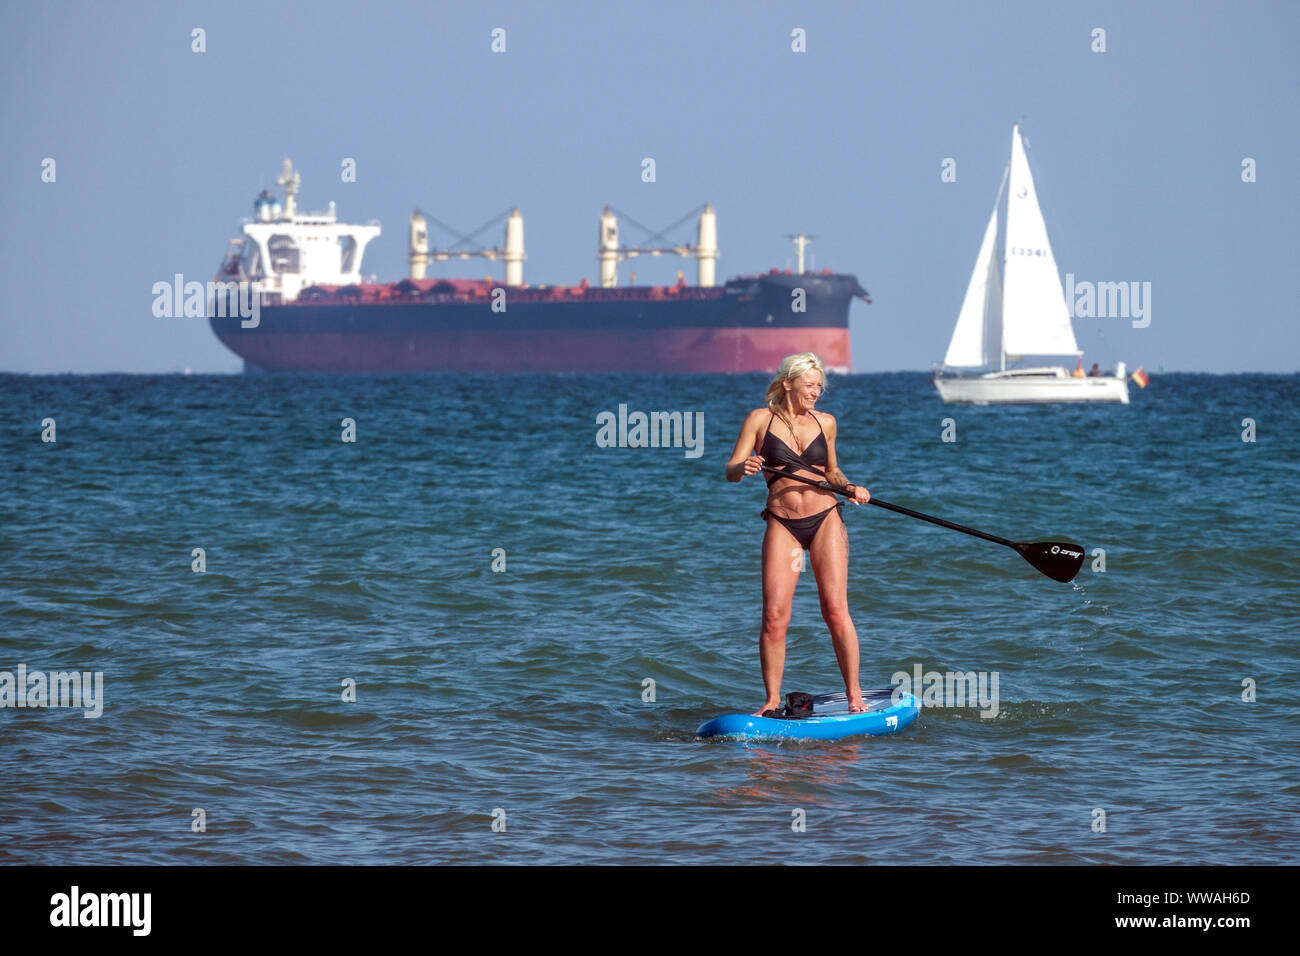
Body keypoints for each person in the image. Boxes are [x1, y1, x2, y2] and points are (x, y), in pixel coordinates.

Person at [724, 352, 872, 716]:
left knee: (835, 609)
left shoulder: (826, 422)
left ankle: (854, 695)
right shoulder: (759, 420)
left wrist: (849, 486)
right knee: (775, 616)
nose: (816, 392)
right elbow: (730, 470)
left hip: (825, 519)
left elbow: (832, 471)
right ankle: (772, 700)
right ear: (788, 382)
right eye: (810, 385)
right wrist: (744, 466)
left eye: (820, 386)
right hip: (782, 522)